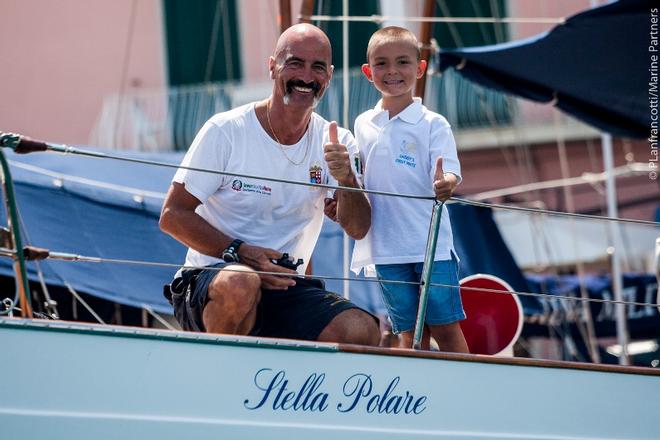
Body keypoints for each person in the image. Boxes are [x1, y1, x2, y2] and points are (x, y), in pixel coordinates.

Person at [160, 23, 380, 345]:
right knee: (241, 284)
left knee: (363, 329)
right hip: (214, 278)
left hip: (287, 288)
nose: (306, 76)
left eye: (317, 67)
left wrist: (347, 179)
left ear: (329, 76)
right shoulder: (225, 130)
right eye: (295, 63)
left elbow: (359, 228)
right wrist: (240, 253)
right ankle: (216, 384)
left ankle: (298, 396)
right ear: (272, 66)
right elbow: (172, 215)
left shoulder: (336, 141)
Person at [332, 26, 469, 352]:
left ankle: (468, 391)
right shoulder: (362, 123)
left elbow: (450, 172)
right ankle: (417, 397)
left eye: (403, 62)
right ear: (368, 72)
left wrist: (445, 183)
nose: (392, 71)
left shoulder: (433, 123)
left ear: (420, 68)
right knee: (409, 334)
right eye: (381, 64)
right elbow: (361, 180)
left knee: (446, 330)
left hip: (430, 246)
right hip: (386, 249)